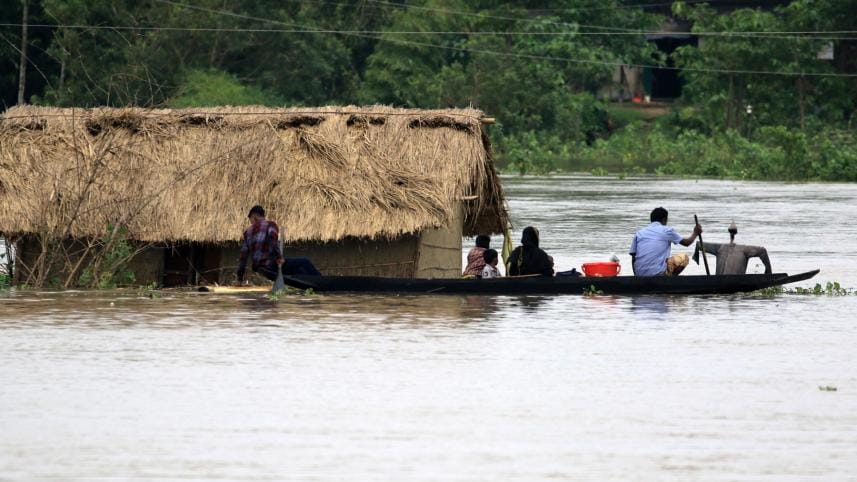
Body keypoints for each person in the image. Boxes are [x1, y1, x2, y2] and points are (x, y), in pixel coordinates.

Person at [236, 205, 321, 283]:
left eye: (250, 220)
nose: (251, 223)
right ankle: (321, 280)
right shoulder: (270, 225)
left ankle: (312, 283)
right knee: (305, 261)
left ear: (254, 217)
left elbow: (243, 257)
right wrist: (279, 257)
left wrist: (240, 277)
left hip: (259, 267)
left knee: (299, 271)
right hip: (271, 264)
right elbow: (273, 242)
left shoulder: (247, 232)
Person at [629, 207, 702, 277]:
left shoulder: (639, 233)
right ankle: (670, 280)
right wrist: (695, 233)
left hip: (639, 275)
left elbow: (633, 257)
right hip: (658, 274)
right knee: (684, 258)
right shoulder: (667, 230)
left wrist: (636, 276)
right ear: (664, 219)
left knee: (666, 260)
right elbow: (687, 243)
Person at [693, 222, 772, 275]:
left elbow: (698, 245)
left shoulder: (719, 248)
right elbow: (763, 251)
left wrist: (696, 257)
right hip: (734, 282)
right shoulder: (743, 249)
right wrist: (768, 273)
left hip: (719, 282)